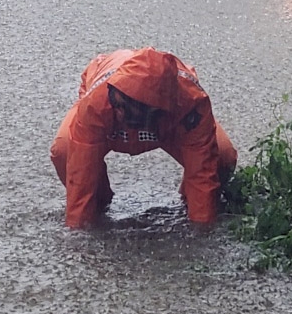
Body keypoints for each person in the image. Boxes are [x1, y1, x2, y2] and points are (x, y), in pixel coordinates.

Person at [50, 47, 237, 229]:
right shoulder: (101, 100)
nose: (119, 113)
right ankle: (99, 204)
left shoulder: (191, 104)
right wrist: (79, 232)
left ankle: (187, 202)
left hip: (169, 123)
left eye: (126, 110)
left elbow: (202, 170)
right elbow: (81, 169)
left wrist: (201, 231)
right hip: (105, 116)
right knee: (65, 151)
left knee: (222, 156)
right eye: (117, 103)